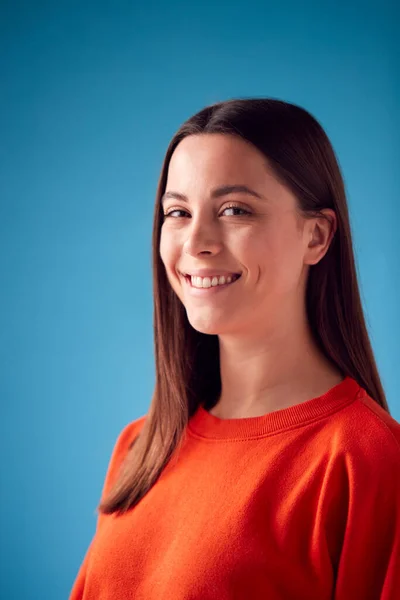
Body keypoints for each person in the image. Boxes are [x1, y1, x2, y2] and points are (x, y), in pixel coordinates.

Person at [69, 98, 400, 599]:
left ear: (316, 235)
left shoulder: (368, 462)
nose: (196, 241)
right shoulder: (140, 448)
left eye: (234, 210)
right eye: (177, 212)